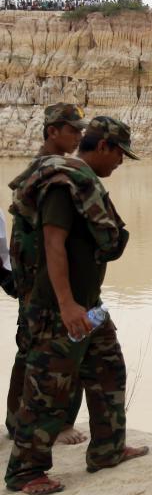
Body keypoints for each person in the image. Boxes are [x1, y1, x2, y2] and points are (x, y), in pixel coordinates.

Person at [4, 117, 148, 495]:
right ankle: (25, 471)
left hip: (90, 307)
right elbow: (54, 243)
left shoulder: (85, 182)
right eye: (119, 154)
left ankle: (107, 449)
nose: (120, 162)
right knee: (48, 389)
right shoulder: (63, 184)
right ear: (103, 147)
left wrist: (82, 305)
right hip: (58, 309)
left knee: (109, 369)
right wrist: (67, 305)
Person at [5, 104, 89, 446]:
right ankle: (44, 423)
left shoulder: (43, 169)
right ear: (52, 131)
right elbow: (47, 238)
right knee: (49, 351)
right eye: (72, 129)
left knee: (32, 349)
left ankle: (18, 421)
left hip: (37, 279)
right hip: (42, 281)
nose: (78, 136)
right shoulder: (49, 173)